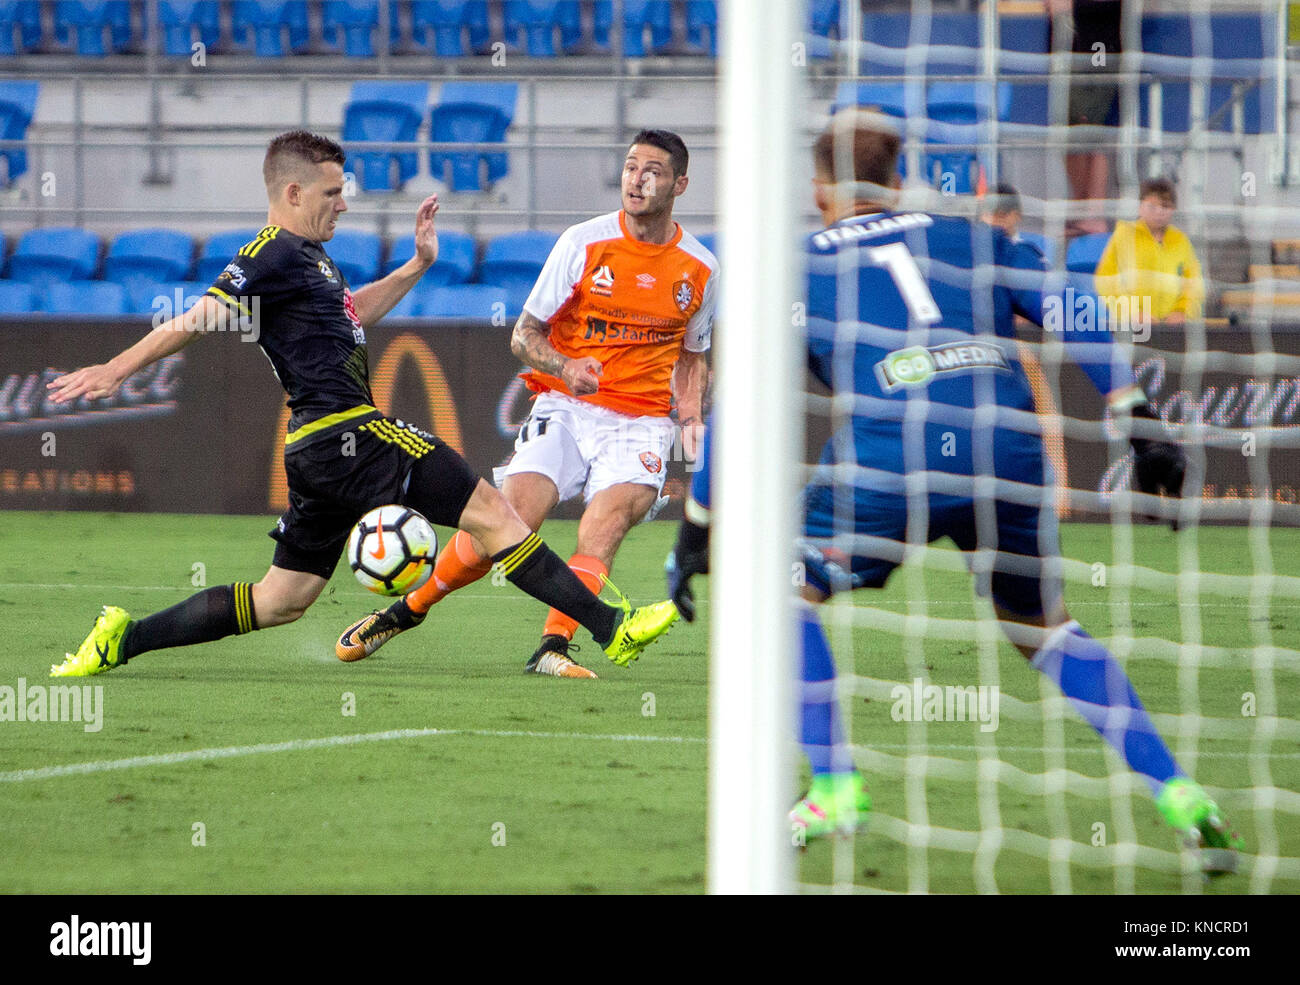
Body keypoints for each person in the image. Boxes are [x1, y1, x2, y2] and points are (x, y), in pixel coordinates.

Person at [667, 110, 1241, 872]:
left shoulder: (795, 268)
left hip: (889, 457)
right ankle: (1182, 795)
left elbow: (741, 408)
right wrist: (1138, 419)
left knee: (780, 597)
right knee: (1047, 631)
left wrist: (698, 528)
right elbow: (1074, 303)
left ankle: (835, 785)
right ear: (899, 181)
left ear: (819, 191)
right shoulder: (976, 237)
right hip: (1006, 448)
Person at [48, 130, 678, 678]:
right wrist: (116, 368)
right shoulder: (269, 252)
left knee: (281, 600)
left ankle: (123, 638)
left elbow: (355, 313)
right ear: (293, 193)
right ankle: (609, 625)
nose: (343, 203)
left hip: (314, 450)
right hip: (353, 430)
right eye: (331, 193)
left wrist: (415, 267)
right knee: (495, 512)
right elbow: (198, 318)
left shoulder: (308, 261)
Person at [335, 129, 715, 679]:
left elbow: (693, 355)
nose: (637, 179)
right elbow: (524, 335)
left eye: (652, 170)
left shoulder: (700, 269)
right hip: (565, 405)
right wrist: (566, 367)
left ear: (679, 183)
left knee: (602, 527)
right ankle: (405, 611)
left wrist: (692, 417)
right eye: (631, 166)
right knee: (506, 523)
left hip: (641, 422)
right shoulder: (583, 243)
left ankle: (553, 648)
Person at [1049, 0, 1124, 235]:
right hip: (1067, 47)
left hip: (1099, 47)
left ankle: (1094, 213)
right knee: (1069, 131)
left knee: (1094, 127)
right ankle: (1082, 207)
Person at [1094, 177, 1205, 325]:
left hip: (1172, 327)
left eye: (1165, 206)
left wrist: (1182, 311)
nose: (1159, 212)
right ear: (1140, 207)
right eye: (1152, 206)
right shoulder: (1124, 236)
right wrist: (1132, 313)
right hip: (1130, 325)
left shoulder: (1181, 241)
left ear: (1173, 209)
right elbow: (1105, 281)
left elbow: (1195, 284)